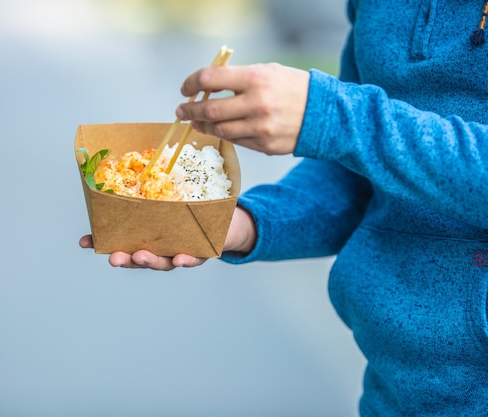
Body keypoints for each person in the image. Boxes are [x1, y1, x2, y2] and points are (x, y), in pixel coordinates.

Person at [80, 1, 488, 415]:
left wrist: (331, 117)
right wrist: (236, 224)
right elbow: (360, 174)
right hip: (393, 393)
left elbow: (354, 132)